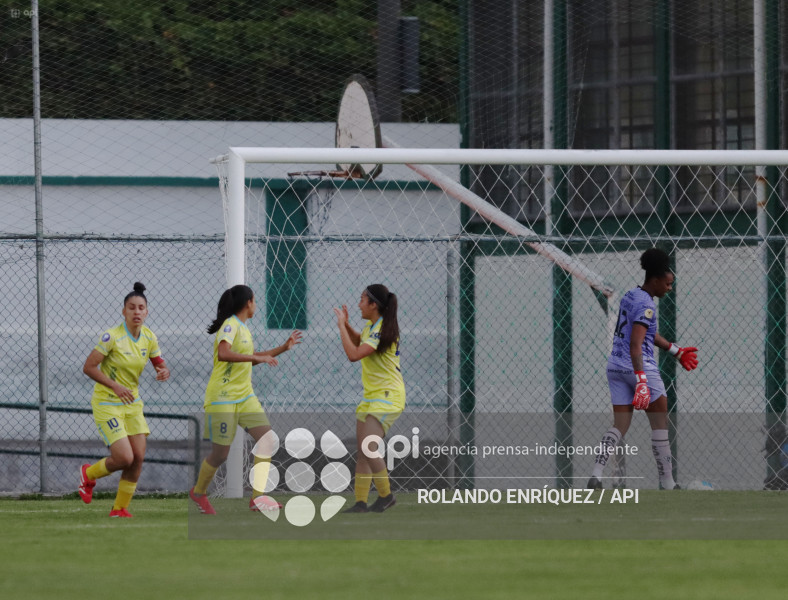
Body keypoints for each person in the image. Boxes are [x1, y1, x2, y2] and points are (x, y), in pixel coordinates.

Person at [588, 248, 698, 490]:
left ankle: (596, 475)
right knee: (660, 423)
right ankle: (668, 483)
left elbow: (647, 334)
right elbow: (636, 345)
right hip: (640, 367)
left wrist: (675, 351)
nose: (669, 288)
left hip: (615, 366)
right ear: (656, 280)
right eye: (668, 284)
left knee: (620, 424)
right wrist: (641, 381)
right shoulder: (647, 305)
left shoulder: (630, 295)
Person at [189, 284, 301, 515]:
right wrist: (253, 357)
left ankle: (258, 498)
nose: (256, 305)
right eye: (255, 300)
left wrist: (283, 347)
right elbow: (224, 353)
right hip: (222, 398)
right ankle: (198, 493)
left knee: (268, 439)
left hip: (245, 396)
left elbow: (251, 358)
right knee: (221, 454)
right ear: (248, 302)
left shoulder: (244, 328)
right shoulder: (230, 325)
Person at [78, 282, 170, 517]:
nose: (137, 312)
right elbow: (88, 367)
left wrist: (163, 371)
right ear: (124, 312)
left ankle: (119, 509)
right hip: (107, 403)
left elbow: (159, 363)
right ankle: (88, 475)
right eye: (132, 308)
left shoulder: (149, 337)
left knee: (137, 458)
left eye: (141, 308)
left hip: (131, 404)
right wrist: (115, 386)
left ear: (147, 312)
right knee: (124, 457)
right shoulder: (112, 336)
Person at [334, 284, 405, 513]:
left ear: (374, 304)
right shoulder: (371, 326)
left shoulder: (381, 328)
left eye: (362, 299)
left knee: (369, 446)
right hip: (372, 396)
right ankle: (361, 503)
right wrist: (347, 325)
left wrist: (340, 328)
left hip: (388, 396)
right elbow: (360, 341)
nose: (358, 304)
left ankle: (386, 496)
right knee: (363, 451)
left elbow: (353, 355)